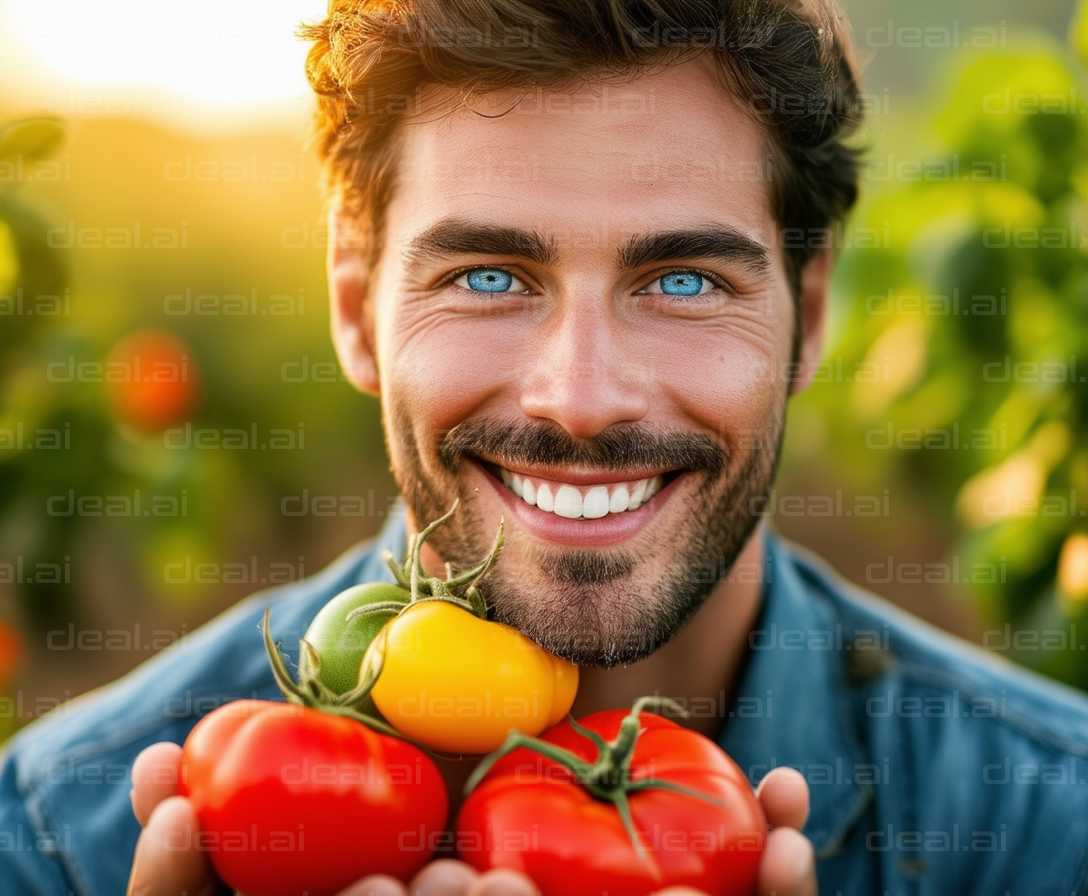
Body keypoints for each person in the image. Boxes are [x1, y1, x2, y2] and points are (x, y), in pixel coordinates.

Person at [3, 1, 1088, 894]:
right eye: (486, 276)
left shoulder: (1052, 831)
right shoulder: (54, 843)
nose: (578, 398)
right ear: (353, 304)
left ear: (806, 314)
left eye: (682, 281)